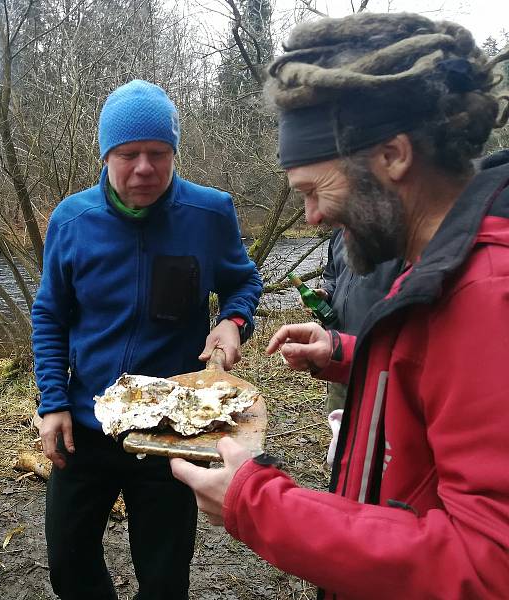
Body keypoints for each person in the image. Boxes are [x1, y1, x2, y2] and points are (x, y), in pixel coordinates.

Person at [170, 13, 509, 599]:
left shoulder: (488, 293)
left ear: (394, 156)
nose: (312, 217)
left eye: (312, 189)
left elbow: (487, 565)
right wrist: (350, 352)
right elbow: (447, 382)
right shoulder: (438, 265)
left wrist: (259, 505)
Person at [31, 79, 263, 600]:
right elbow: (49, 315)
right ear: (106, 154)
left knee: (164, 578)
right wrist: (52, 401)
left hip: (169, 426)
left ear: (174, 153)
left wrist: (234, 320)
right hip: (85, 424)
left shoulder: (209, 214)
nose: (144, 168)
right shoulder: (72, 220)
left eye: (158, 153)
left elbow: (243, 280)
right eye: (128, 154)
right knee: (69, 563)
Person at [313, 228, 403, 411]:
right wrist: (326, 293)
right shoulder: (339, 233)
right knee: (338, 425)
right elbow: (332, 276)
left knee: (373, 429)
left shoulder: (400, 237)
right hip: (337, 353)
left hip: (377, 359)